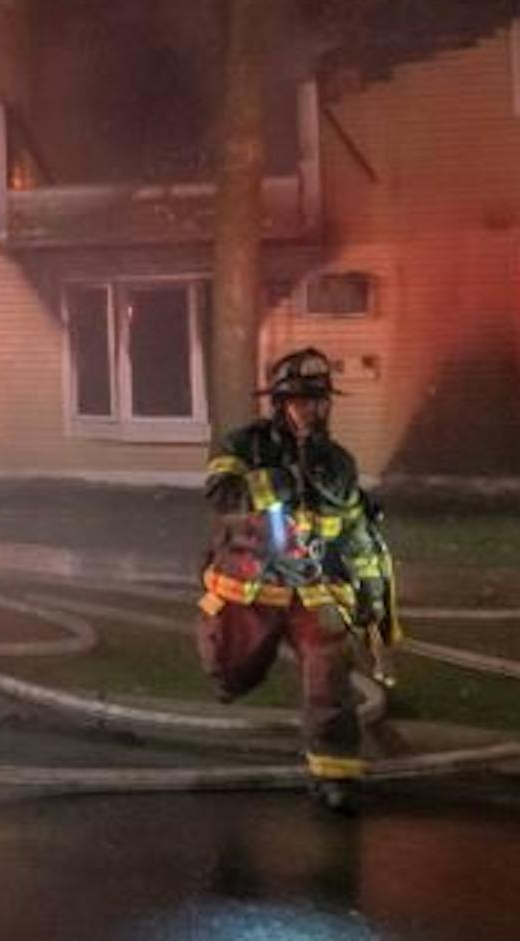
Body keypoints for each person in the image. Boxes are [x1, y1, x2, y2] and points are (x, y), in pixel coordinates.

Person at [198, 347, 395, 815]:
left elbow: (356, 530)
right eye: (303, 400)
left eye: (320, 400)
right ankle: (232, 677)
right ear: (280, 402)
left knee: (330, 678)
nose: (313, 409)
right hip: (253, 585)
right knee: (229, 668)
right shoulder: (242, 445)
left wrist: (369, 592)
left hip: (315, 590)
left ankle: (334, 776)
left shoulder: (338, 462)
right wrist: (278, 481)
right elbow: (221, 494)